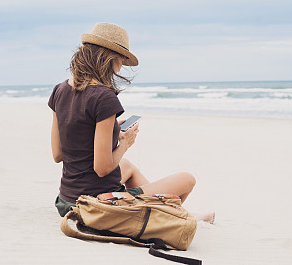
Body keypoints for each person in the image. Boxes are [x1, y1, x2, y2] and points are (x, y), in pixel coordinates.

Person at [48, 22, 214, 223]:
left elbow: (59, 154)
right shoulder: (103, 97)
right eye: (122, 60)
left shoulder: (60, 89)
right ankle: (179, 216)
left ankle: (172, 212)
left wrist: (112, 130)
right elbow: (102, 168)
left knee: (127, 167)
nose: (121, 66)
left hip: (67, 201)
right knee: (187, 179)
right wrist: (125, 143)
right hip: (98, 204)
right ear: (113, 58)